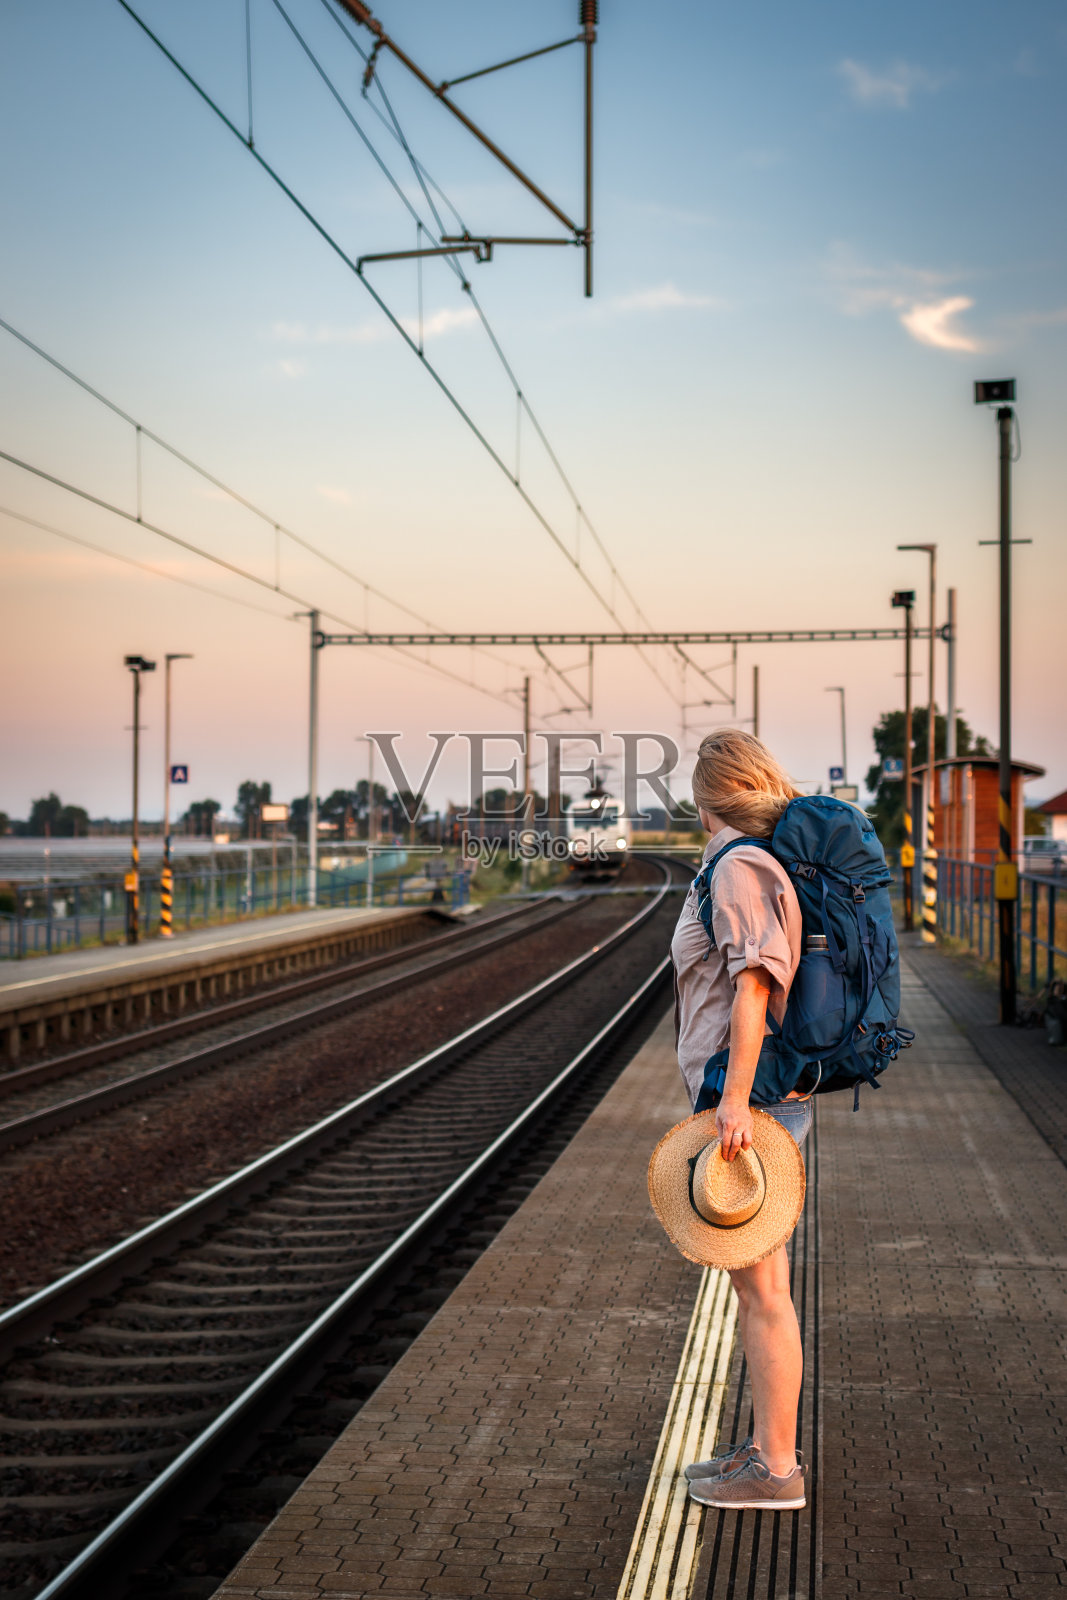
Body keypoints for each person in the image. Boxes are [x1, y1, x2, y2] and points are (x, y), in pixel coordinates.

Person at [670, 727, 810, 1512]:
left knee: (762, 1294)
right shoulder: (737, 864)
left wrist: (732, 1103)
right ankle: (764, 1450)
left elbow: (753, 983)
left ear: (707, 798)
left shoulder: (738, 868)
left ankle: (776, 1471)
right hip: (748, 1098)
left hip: (748, 1103)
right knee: (762, 1289)